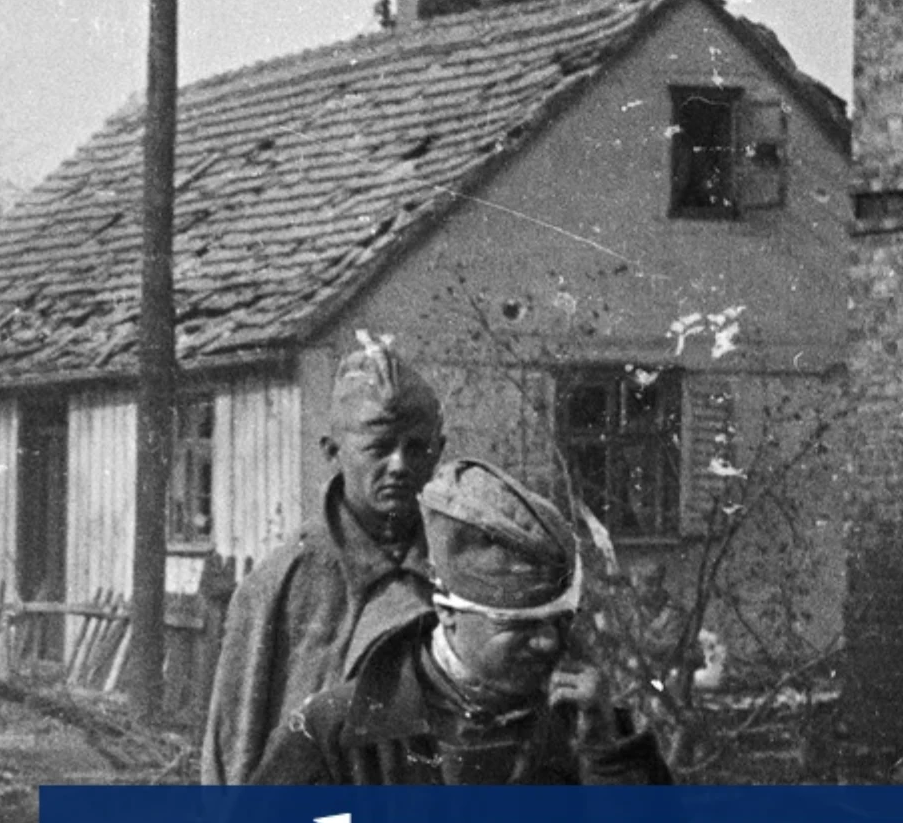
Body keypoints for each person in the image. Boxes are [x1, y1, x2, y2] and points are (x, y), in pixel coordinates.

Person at [252, 458, 674, 785]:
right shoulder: (333, 737)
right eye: (519, 624)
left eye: (560, 621)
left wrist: (605, 756)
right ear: (448, 613)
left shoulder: (587, 726)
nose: (548, 643)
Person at [200, 335, 446, 785]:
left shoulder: (463, 572)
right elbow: (233, 757)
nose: (400, 465)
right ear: (332, 451)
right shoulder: (279, 587)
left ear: (440, 451)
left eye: (417, 448)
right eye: (379, 447)